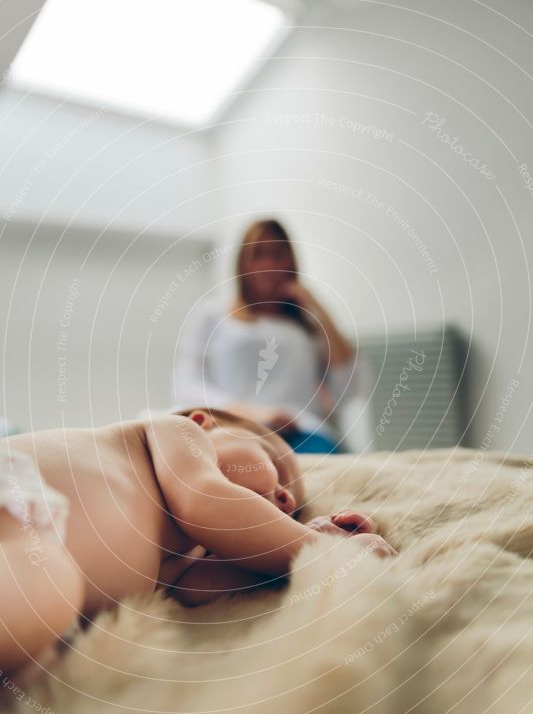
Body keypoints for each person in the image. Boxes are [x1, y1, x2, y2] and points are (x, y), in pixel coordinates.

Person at [0, 408, 396, 673]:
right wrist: (321, 547)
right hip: (15, 503)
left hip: (40, 572)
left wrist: (289, 554)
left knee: (42, 604)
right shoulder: (178, 434)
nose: (286, 497)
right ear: (205, 421)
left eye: (290, 510)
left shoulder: (179, 555)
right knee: (44, 584)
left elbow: (198, 585)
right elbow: (204, 500)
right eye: (275, 465)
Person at [173, 219, 367, 452]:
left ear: (290, 262)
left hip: (302, 432)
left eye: (277, 254)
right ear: (243, 264)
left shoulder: (307, 327)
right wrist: (250, 414)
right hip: (234, 427)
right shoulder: (213, 315)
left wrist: (316, 306)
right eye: (259, 254)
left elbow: (351, 386)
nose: (269, 264)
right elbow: (187, 383)